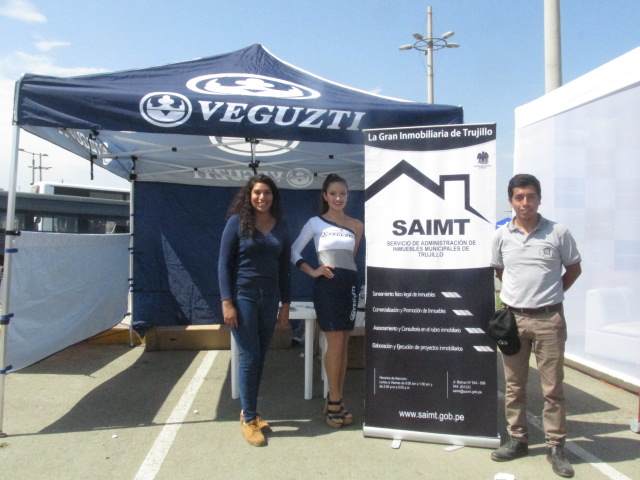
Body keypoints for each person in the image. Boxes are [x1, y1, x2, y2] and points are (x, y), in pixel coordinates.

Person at [490, 174, 582, 478]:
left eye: (530, 196)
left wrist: (550, 296)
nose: (525, 203)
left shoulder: (558, 232)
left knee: (552, 387)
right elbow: (501, 271)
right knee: (514, 385)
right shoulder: (501, 236)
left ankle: (556, 446)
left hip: (549, 320)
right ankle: (518, 440)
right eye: (519, 197)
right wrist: (521, 298)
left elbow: (574, 269)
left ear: (539, 199)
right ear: (511, 201)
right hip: (513, 321)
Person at [218, 174, 291, 447]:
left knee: (259, 357)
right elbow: (224, 264)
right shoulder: (237, 223)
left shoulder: (281, 226)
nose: (262, 197)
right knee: (249, 356)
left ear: (274, 196)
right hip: (243, 297)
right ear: (249, 195)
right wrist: (227, 302)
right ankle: (249, 419)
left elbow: (284, 269)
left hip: (270, 298)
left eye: (267, 193)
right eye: (257, 192)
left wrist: (285, 304)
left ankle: (250, 413)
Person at [291, 173, 364, 428]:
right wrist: (312, 270)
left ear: (348, 195)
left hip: (350, 287)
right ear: (325, 196)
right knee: (334, 343)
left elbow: (350, 259)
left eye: (342, 193)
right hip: (328, 288)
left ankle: (338, 398)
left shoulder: (357, 225)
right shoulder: (315, 223)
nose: (338, 198)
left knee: (344, 345)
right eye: (333, 193)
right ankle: (333, 400)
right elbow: (293, 251)